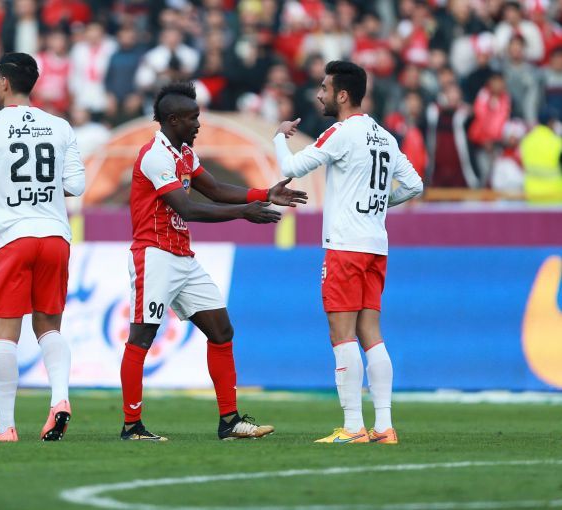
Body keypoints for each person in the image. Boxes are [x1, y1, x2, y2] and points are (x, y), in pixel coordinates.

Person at [121, 81, 307, 441]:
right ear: (173, 120)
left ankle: (230, 422)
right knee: (142, 336)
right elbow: (187, 208)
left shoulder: (184, 154)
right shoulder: (155, 155)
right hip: (154, 255)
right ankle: (132, 426)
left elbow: (216, 189)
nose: (198, 124)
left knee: (221, 331)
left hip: (181, 256)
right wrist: (243, 213)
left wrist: (264, 194)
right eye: (192, 118)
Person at [272, 61, 423, 444]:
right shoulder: (384, 136)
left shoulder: (340, 133)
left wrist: (278, 136)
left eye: (324, 88)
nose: (319, 94)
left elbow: (291, 167)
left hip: (345, 247)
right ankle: (384, 426)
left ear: (342, 95)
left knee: (341, 335)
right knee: (371, 333)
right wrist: (377, 205)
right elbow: (414, 185)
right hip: (376, 246)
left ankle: (353, 427)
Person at [0, 52, 85, 442]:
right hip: (55, 236)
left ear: (4, 82)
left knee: (5, 334)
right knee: (49, 327)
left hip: (13, 237)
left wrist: (2, 179)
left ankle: (6, 427)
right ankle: (59, 400)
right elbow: (76, 185)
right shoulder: (60, 126)